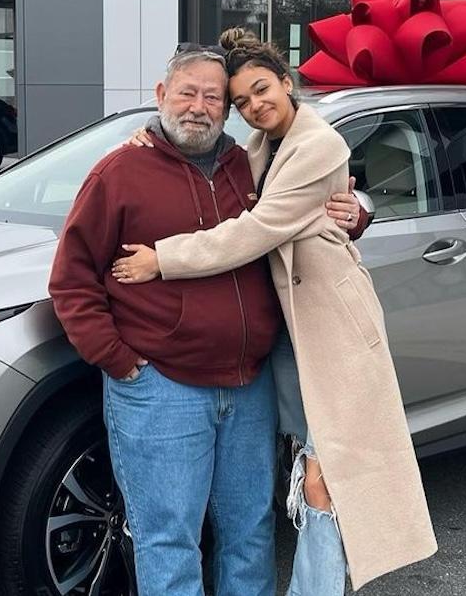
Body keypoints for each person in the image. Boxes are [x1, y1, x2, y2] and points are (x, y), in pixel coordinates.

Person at [111, 29, 438, 594]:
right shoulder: (259, 147)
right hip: (282, 335)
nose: (254, 105)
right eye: (241, 101)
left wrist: (162, 259)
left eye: (262, 90)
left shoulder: (318, 144)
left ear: (287, 84)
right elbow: (239, 183)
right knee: (301, 474)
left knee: (324, 476)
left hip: (328, 326)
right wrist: (152, 137)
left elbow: (257, 229)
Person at [47, 43, 367, 596]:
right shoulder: (119, 172)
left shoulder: (248, 163)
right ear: (161, 95)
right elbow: (71, 281)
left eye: (214, 98)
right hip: (161, 389)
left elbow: (302, 207)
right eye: (187, 92)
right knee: (168, 539)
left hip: (248, 386)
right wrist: (121, 364)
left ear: (227, 111)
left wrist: (357, 210)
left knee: (251, 533)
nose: (198, 106)